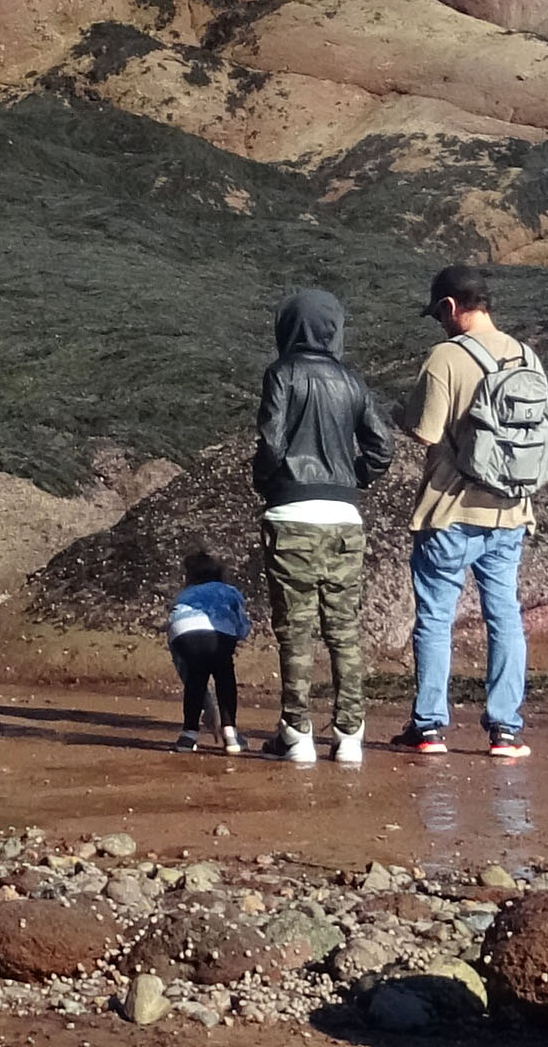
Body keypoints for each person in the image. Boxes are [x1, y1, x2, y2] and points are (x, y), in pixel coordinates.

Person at [250, 284, 400, 766]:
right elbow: (383, 447)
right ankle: (350, 735)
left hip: (291, 513)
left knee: (295, 631)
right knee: (344, 629)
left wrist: (268, 481)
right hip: (343, 518)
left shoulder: (282, 374)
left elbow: (272, 443)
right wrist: (349, 480)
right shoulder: (352, 381)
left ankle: (296, 734)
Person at [404, 264, 544, 761]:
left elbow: (424, 430)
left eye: (437, 314)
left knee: (436, 618)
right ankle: (505, 731)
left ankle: (429, 728)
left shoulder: (445, 356)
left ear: (450, 307)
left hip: (450, 510)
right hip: (510, 510)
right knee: (504, 616)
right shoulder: (527, 355)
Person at [162, 550, 249, 752]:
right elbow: (241, 623)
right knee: (225, 675)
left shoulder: (186, 594)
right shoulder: (229, 591)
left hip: (183, 633)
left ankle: (188, 735)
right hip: (218, 633)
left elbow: (175, 617)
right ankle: (230, 734)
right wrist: (238, 634)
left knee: (196, 679)